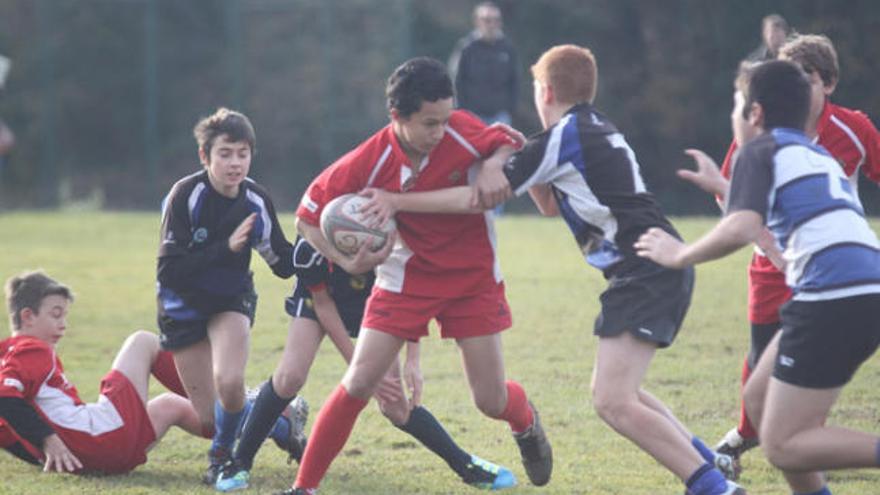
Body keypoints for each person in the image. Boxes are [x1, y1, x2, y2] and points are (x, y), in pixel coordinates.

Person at [362, 44, 743, 495]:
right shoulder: (591, 127)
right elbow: (547, 203)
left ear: (544, 91)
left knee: (611, 400)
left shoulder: (563, 136)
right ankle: (709, 462)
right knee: (628, 393)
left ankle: (713, 487)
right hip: (655, 265)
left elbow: (478, 198)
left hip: (646, 267)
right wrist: (509, 157)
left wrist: (398, 201)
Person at [278, 57, 551, 495]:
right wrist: (344, 262)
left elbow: (502, 151)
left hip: (471, 277)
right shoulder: (368, 160)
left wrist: (497, 161)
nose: (441, 131)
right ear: (397, 117)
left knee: (490, 399)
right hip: (406, 277)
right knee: (360, 381)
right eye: (429, 123)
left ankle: (526, 421)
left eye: (445, 119)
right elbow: (306, 218)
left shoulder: (461, 129)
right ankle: (303, 488)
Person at [635, 59, 880, 495]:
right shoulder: (812, 152)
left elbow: (744, 228)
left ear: (755, 114)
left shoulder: (758, 150)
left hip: (832, 294)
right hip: (861, 285)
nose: (735, 115)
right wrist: (727, 187)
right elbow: (795, 217)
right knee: (758, 398)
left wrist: (680, 255)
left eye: (736, 105)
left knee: (783, 446)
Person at [215, 236, 516, 492]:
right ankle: (239, 464)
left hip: (377, 302)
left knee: (394, 403)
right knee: (289, 377)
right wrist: (357, 366)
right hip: (319, 302)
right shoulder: (310, 247)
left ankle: (466, 466)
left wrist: (413, 361)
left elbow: (412, 301)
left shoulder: (387, 245)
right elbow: (322, 304)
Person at [156, 107, 303, 484]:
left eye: (242, 154)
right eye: (225, 154)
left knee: (230, 382)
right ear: (205, 156)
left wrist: (316, 241)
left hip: (229, 301)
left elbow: (282, 263)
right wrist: (228, 246)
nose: (235, 163)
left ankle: (221, 459)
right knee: (209, 419)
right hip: (182, 305)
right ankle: (282, 424)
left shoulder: (255, 199)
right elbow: (170, 272)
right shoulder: (185, 196)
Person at [0, 270, 205, 474]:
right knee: (143, 341)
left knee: (171, 405)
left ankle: (231, 434)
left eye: (64, 316)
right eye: (55, 314)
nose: (63, 325)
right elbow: (4, 397)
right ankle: (220, 404)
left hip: (92, 458)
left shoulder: (7, 357)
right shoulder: (30, 349)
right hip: (102, 439)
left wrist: (41, 455)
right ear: (27, 316)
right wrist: (49, 441)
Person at [448, 1, 519, 127]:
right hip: (472, 115)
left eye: (495, 20)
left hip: (500, 116)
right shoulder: (466, 48)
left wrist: (510, 109)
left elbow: (514, 80)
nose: (491, 24)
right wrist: (461, 111)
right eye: (487, 20)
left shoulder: (507, 48)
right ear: (477, 22)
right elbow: (456, 80)